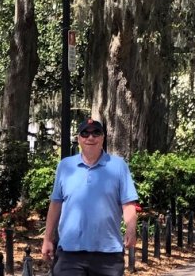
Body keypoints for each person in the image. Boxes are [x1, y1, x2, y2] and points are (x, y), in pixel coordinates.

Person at [40, 118, 139, 276]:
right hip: (69, 253)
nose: (90, 138)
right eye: (85, 134)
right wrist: (47, 239)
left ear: (103, 138)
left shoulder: (119, 166)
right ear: (79, 139)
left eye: (96, 133)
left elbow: (128, 204)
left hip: (108, 254)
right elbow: (56, 204)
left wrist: (131, 230)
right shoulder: (65, 166)